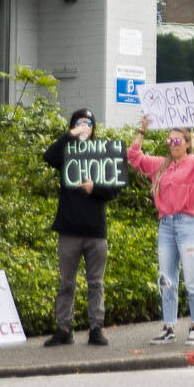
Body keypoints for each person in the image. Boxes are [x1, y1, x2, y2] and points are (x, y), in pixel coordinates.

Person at [127, 108, 194, 346]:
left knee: (192, 279)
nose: (171, 144)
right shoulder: (160, 165)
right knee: (166, 279)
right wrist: (142, 129)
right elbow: (133, 156)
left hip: (188, 224)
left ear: (188, 143)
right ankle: (168, 327)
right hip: (166, 225)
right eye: (169, 140)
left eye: (177, 140)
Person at [41, 109, 118, 348]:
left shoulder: (103, 154)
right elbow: (48, 155)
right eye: (80, 122)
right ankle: (64, 328)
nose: (85, 126)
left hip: (95, 230)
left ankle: (96, 328)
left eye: (88, 123)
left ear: (95, 128)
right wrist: (70, 134)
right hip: (69, 229)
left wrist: (94, 188)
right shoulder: (66, 152)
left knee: (96, 283)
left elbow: (114, 189)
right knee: (67, 283)